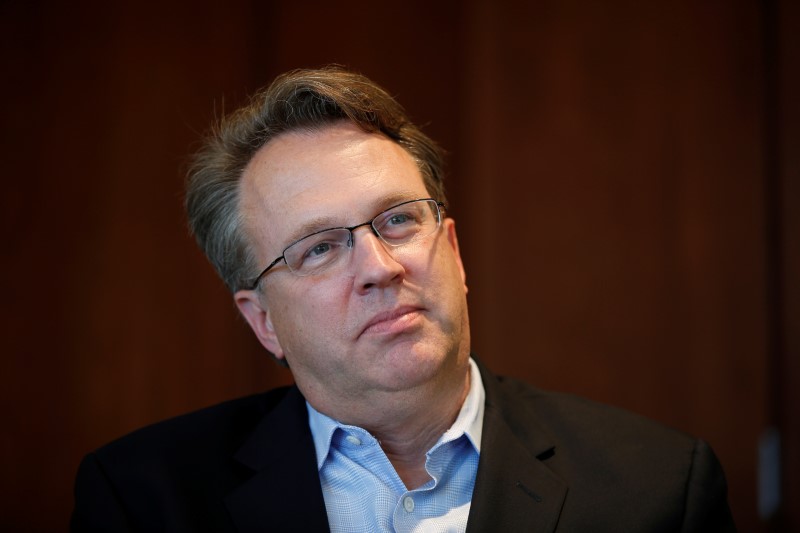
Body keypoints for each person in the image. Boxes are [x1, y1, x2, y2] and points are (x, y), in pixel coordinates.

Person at [71, 67, 736, 532]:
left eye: (397, 220)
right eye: (320, 248)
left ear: (453, 248)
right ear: (264, 320)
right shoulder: (144, 498)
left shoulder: (657, 486)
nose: (380, 268)